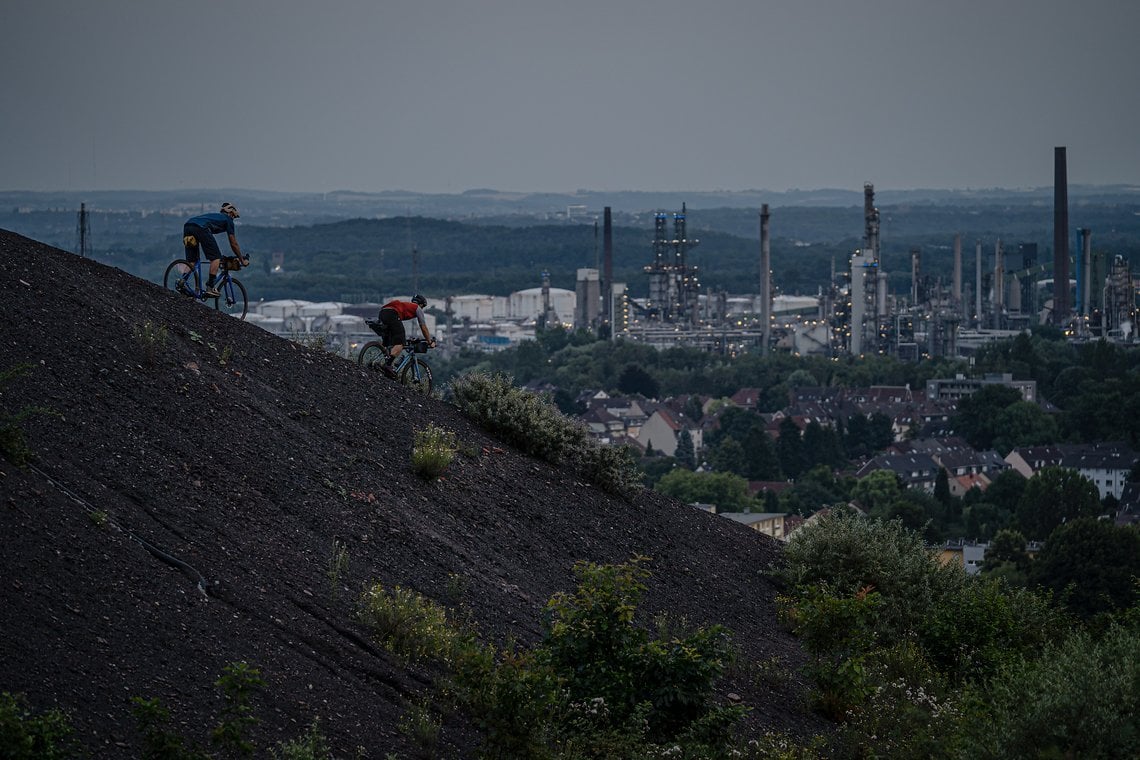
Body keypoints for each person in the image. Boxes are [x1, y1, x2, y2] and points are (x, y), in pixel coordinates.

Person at [182, 202, 247, 297]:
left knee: (192, 261)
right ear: (230, 213)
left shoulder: (216, 217)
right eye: (233, 216)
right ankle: (210, 287)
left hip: (188, 225)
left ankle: (182, 281)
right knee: (216, 258)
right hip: (201, 228)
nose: (233, 218)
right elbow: (234, 244)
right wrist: (242, 260)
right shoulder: (228, 220)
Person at [377, 294, 435, 377]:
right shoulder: (417, 308)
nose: (422, 309)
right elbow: (423, 327)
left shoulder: (406, 306)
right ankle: (387, 365)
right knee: (400, 343)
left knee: (389, 343)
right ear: (421, 304)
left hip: (382, 313)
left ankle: (379, 362)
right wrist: (429, 341)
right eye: (423, 307)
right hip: (392, 314)